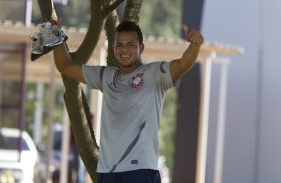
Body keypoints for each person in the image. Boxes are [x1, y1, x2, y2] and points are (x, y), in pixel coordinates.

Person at [52, 20, 204, 183]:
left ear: (141, 48)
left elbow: (181, 65)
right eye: (119, 45)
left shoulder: (153, 74)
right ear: (114, 48)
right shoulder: (106, 76)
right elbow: (64, 66)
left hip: (140, 170)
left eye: (131, 45)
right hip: (108, 171)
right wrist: (54, 33)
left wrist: (195, 46)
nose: (124, 50)